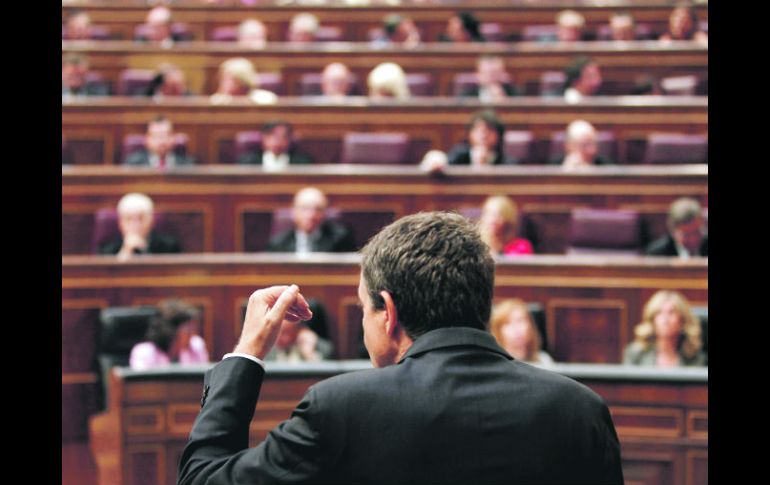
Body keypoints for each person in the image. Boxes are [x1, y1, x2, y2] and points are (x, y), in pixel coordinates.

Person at [178, 211, 624, 484]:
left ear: (387, 312)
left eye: (363, 309)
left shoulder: (340, 409)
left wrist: (248, 351)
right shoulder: (580, 410)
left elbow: (203, 480)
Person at [623, 290, 706, 367]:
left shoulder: (696, 358)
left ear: (682, 320)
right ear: (652, 320)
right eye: (659, 313)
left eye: (671, 313)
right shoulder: (636, 354)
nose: (665, 319)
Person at [421, 110, 517, 173]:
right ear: (470, 133)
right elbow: (440, 161)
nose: (483, 135)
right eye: (478, 130)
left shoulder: (507, 162)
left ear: (498, 135)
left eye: (489, 130)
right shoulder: (459, 155)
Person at [266, 187, 356, 253]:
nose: (311, 215)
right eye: (305, 209)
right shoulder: (278, 244)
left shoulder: (340, 239)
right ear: (293, 212)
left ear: (325, 213)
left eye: (317, 209)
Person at [129, 299, 209, 371]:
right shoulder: (143, 353)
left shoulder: (196, 346)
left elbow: (204, 383)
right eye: (188, 330)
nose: (193, 334)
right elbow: (141, 385)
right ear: (170, 330)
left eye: (193, 329)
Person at [98, 193, 181, 261]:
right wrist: (126, 251)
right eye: (129, 219)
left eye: (140, 218)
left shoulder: (169, 247)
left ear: (151, 221)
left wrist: (145, 252)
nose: (135, 224)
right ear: (121, 223)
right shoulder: (107, 249)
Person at [490, 298, 554, 365]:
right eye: (507, 323)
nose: (516, 328)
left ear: (530, 326)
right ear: (498, 331)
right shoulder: (493, 363)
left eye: (520, 320)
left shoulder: (544, 361)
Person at [237, 121, 315, 169]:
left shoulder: (302, 162)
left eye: (283, 137)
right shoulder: (248, 162)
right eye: (273, 136)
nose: (278, 141)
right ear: (264, 138)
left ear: (289, 139)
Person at [124, 116, 196, 168]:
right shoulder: (133, 164)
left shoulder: (188, 164)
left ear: (173, 138)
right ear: (147, 139)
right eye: (156, 136)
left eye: (165, 135)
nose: (162, 141)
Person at [549, 120, 615, 168]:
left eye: (594, 143)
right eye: (585, 145)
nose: (592, 150)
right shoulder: (554, 166)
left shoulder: (605, 165)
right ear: (569, 146)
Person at [210, 57, 278, 105]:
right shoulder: (217, 101)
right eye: (222, 78)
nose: (222, 82)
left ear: (241, 80)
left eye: (227, 79)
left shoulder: (265, 98)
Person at [263, 319, 333, 363]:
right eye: (276, 332)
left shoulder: (323, 348)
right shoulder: (267, 349)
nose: (278, 337)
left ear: (299, 331)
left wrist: (308, 353)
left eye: (285, 333)